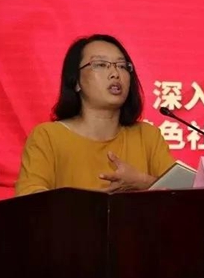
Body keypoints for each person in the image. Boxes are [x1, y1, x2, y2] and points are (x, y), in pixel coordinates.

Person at [14, 34, 176, 196]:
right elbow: (31, 200)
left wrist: (143, 182)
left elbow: (182, 196)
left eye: (122, 66)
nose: (115, 73)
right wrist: (91, 204)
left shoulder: (147, 136)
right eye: (100, 64)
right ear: (76, 81)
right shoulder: (47, 136)